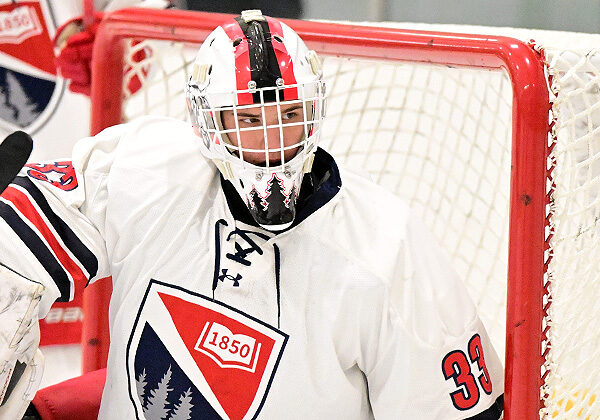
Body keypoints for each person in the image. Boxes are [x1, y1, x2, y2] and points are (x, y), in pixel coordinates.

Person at [0, 10, 504, 419]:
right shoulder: (147, 170)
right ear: (208, 123)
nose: (272, 143)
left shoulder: (389, 246)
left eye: (289, 116)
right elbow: (21, 240)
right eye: (247, 119)